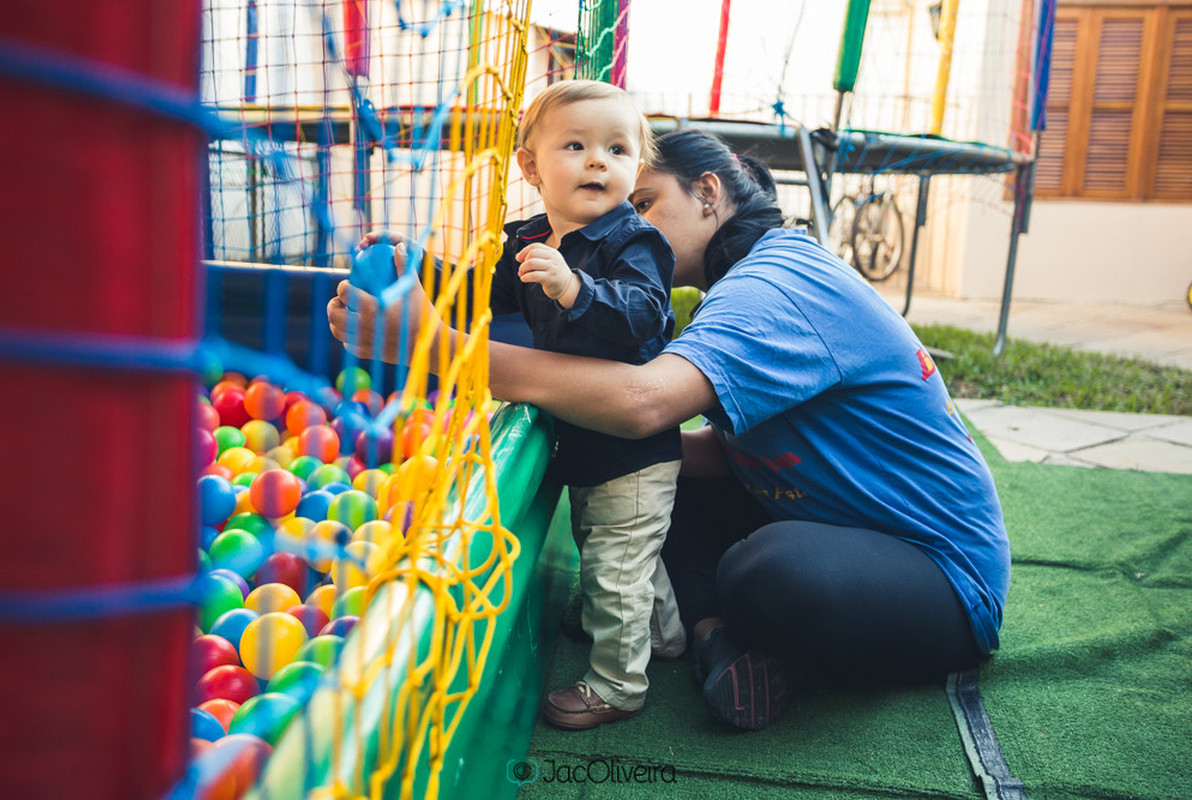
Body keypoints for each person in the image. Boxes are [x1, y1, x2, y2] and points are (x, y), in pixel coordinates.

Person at [328, 129, 1011, 732]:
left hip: (941, 581)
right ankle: (717, 642)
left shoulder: (775, 286)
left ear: (708, 193)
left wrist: (434, 347)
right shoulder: (746, 283)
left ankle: (736, 631)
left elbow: (644, 404)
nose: (623, 219)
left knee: (765, 570)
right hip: (839, 524)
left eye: (646, 201)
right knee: (648, 471)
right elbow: (722, 452)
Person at [356, 80, 687, 731]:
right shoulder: (532, 237)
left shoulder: (634, 243)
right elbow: (484, 294)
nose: (599, 160)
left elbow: (646, 315)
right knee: (618, 552)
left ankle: (619, 683)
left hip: (631, 446)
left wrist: (576, 289)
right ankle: (666, 634)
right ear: (531, 167)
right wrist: (418, 264)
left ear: (635, 169)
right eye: (577, 145)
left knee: (617, 562)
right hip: (586, 436)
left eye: (617, 149)